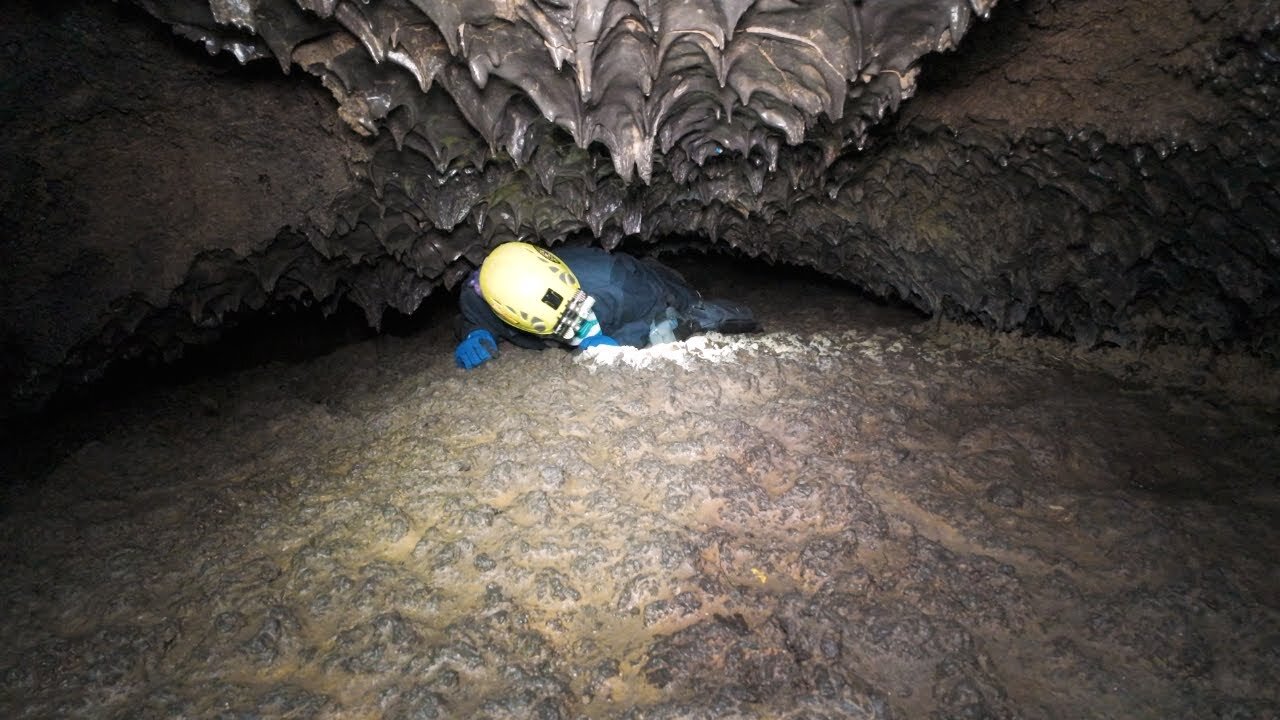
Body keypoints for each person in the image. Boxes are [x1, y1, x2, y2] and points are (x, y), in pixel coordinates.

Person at [455, 242, 758, 369]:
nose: (574, 327)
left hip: (652, 285)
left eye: (575, 310)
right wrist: (477, 333)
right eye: (562, 325)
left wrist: (619, 340)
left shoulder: (614, 282)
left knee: (676, 321)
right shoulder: (482, 293)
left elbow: (658, 306)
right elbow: (475, 317)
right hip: (612, 292)